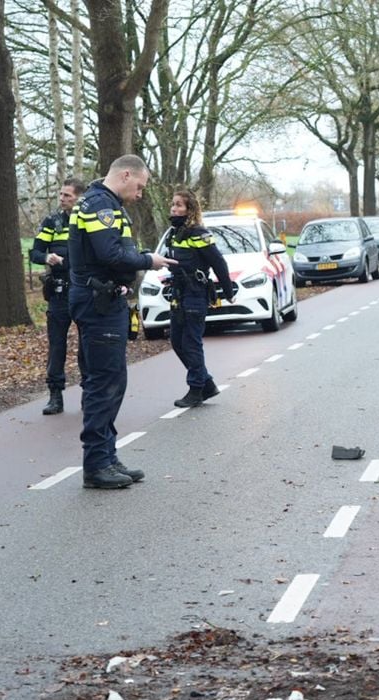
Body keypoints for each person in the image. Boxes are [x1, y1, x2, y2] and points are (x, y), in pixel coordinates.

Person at [66, 154, 174, 489]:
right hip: (99, 303)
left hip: (100, 299)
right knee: (104, 383)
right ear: (126, 175)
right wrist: (148, 260)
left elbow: (111, 249)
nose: (141, 193)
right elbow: (110, 255)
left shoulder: (104, 203)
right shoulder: (102, 206)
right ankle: (97, 464)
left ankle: (107, 457)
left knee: (111, 380)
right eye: (140, 186)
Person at [163, 188, 234, 408]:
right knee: (177, 341)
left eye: (179, 205)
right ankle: (207, 384)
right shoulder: (174, 233)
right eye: (173, 204)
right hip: (178, 294)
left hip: (195, 294)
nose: (174, 208)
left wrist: (228, 291)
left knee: (191, 343)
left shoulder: (198, 233)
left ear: (189, 209)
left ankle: (196, 390)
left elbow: (218, 263)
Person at [31, 178, 86, 415]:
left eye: (67, 195)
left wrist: (70, 263)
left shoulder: (87, 220)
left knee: (87, 344)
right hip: (59, 291)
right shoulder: (52, 221)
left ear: (79, 198)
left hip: (82, 290)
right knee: (56, 344)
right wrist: (46, 258)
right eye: (61, 195)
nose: (62, 199)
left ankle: (89, 393)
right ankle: (55, 395)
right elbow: (35, 251)